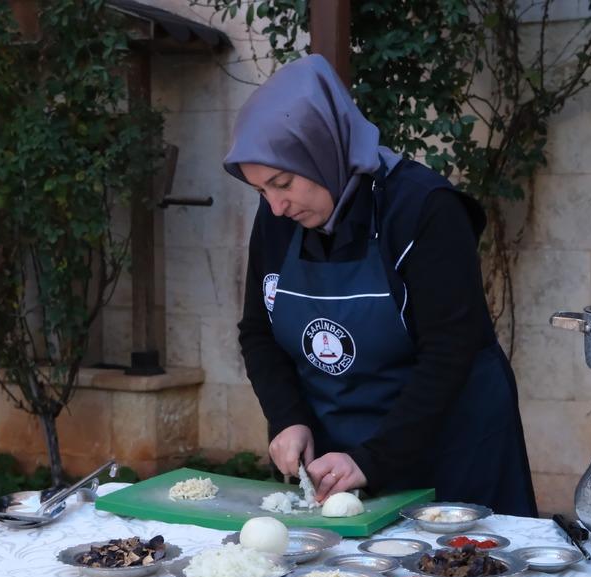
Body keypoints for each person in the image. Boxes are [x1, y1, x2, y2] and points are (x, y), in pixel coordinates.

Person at [224, 55, 537, 516]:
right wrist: (288, 419)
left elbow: (451, 350)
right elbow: (258, 332)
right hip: (345, 459)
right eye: (261, 191)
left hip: (452, 452)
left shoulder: (423, 210)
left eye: (282, 182)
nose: (275, 206)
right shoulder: (279, 222)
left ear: (322, 149)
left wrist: (374, 458)